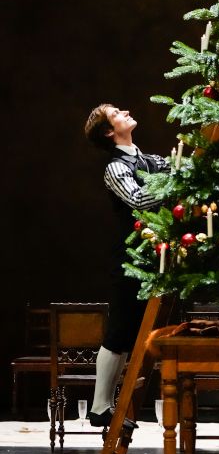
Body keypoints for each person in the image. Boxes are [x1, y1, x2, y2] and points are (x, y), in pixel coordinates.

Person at [84, 104, 169, 429]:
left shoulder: (149, 160)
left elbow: (178, 170)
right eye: (117, 113)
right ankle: (100, 406)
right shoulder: (115, 167)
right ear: (109, 131)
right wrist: (171, 185)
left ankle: (109, 404)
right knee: (120, 329)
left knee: (135, 333)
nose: (126, 111)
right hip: (130, 258)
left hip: (154, 255)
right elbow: (140, 199)